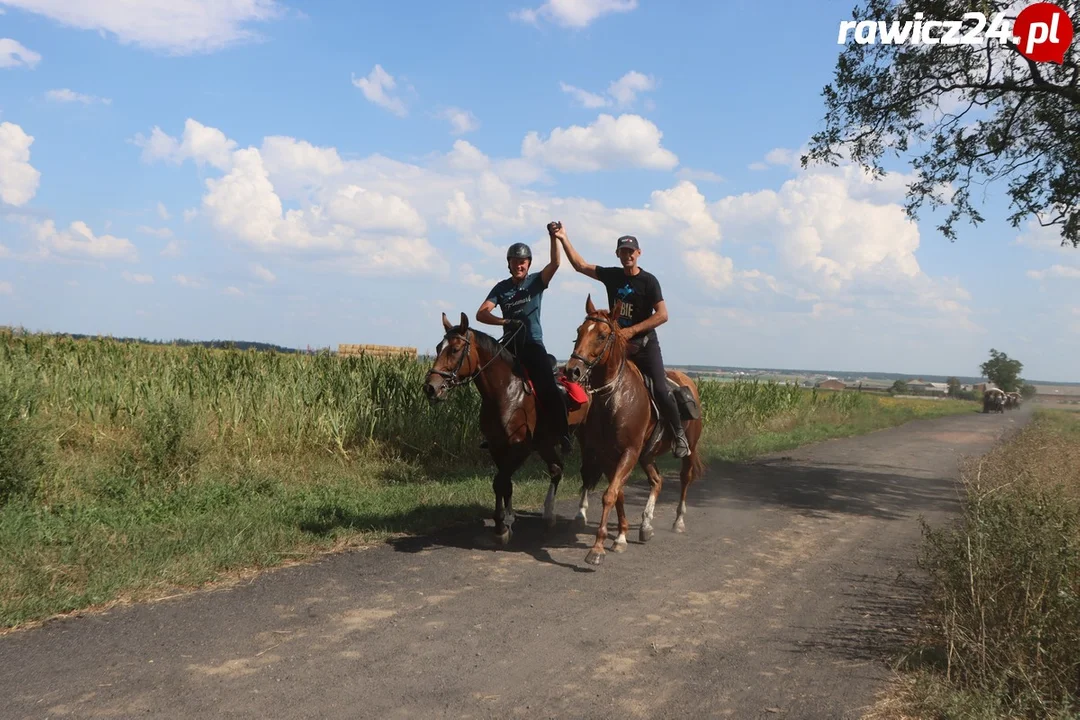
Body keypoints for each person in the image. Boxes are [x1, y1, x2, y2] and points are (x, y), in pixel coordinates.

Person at [553, 223, 691, 458]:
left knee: (659, 387)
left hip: (644, 346)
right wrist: (562, 237)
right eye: (623, 251)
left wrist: (632, 330)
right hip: (617, 347)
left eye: (631, 251)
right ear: (617, 254)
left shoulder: (649, 281)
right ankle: (574, 436)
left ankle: (679, 435)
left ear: (638, 253)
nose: (627, 255)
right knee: (586, 383)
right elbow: (580, 265)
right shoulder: (612, 276)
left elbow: (662, 315)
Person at [476, 224, 573, 455]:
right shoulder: (501, 288)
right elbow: (481, 313)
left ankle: (563, 433)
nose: (519, 265)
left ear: (528, 264)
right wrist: (504, 322)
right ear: (508, 264)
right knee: (491, 386)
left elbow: (556, 264)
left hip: (531, 344)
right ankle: (493, 433)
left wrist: (554, 238)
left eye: (523, 261)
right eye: (514, 261)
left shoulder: (536, 282)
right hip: (508, 346)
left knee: (548, 387)